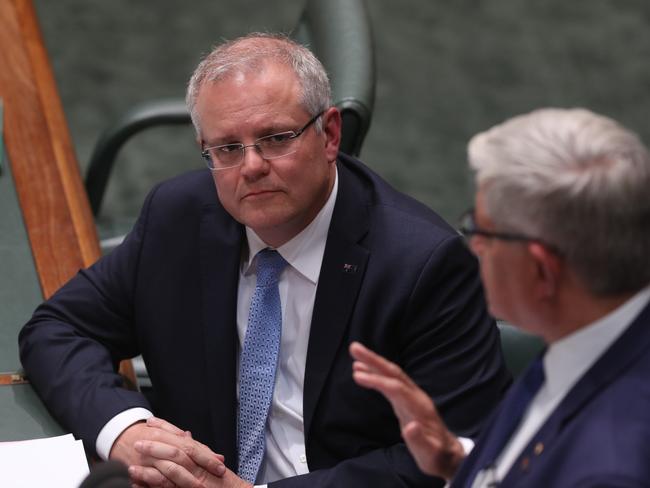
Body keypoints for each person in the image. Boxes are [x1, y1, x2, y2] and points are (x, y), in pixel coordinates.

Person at [19, 33, 510, 488]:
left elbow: (465, 453)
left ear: (331, 134)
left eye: (276, 138)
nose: (251, 167)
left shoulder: (425, 266)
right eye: (228, 148)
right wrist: (126, 430)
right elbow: (59, 328)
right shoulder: (181, 217)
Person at [350, 107, 650, 487]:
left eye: (481, 232)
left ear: (541, 270)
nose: (472, 248)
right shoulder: (589, 337)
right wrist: (457, 463)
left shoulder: (610, 468)